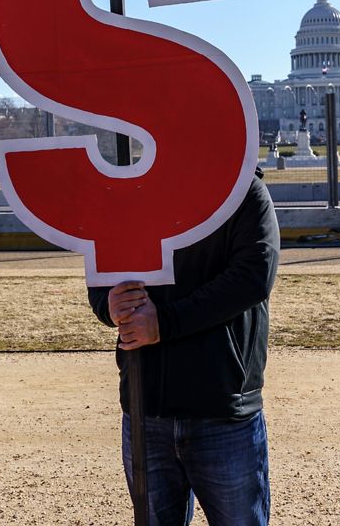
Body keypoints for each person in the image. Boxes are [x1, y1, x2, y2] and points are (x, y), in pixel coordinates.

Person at [89, 168, 280, 526]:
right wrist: (108, 303)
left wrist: (164, 324)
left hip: (222, 409)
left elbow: (254, 276)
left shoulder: (243, 191)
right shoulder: (133, 189)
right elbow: (102, 269)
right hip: (146, 407)